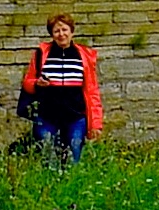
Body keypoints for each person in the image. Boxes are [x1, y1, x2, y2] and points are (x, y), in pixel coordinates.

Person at [16, 15, 101, 164]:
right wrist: (37, 83)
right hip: (47, 116)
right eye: (57, 31)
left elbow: (92, 91)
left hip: (76, 116)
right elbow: (27, 83)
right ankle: (51, 186)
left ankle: (70, 186)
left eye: (64, 30)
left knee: (73, 157)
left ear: (72, 32)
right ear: (52, 34)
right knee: (48, 157)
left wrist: (96, 124)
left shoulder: (84, 56)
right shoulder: (41, 54)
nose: (61, 34)